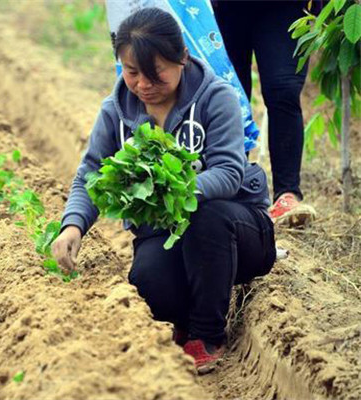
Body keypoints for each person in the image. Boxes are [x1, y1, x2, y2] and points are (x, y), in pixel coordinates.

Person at [52, 8, 276, 374]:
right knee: (149, 284)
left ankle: (207, 334)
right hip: (166, 231)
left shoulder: (215, 98)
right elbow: (90, 174)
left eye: (155, 73)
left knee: (206, 216)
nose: (142, 84)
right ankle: (186, 314)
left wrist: (170, 187)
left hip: (237, 228)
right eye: (131, 72)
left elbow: (229, 172)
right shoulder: (116, 111)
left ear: (182, 58)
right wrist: (72, 225)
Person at [213, 1, 317, 226]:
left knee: (283, 89)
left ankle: (287, 194)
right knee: (227, 94)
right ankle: (232, 188)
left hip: (284, 7)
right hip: (224, 9)